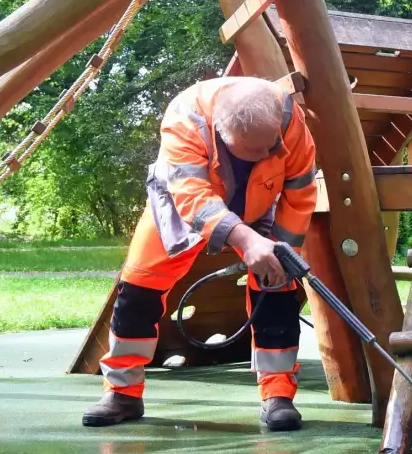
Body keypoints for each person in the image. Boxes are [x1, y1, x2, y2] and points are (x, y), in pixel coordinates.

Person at [81, 76, 317, 431]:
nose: (269, 155)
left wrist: (283, 253)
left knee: (277, 286)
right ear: (220, 134)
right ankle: (123, 393)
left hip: (261, 200)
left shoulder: (289, 119)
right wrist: (246, 240)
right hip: (179, 203)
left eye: (272, 146)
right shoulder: (184, 119)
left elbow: (300, 191)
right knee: (139, 287)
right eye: (254, 151)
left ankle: (278, 395)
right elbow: (192, 198)